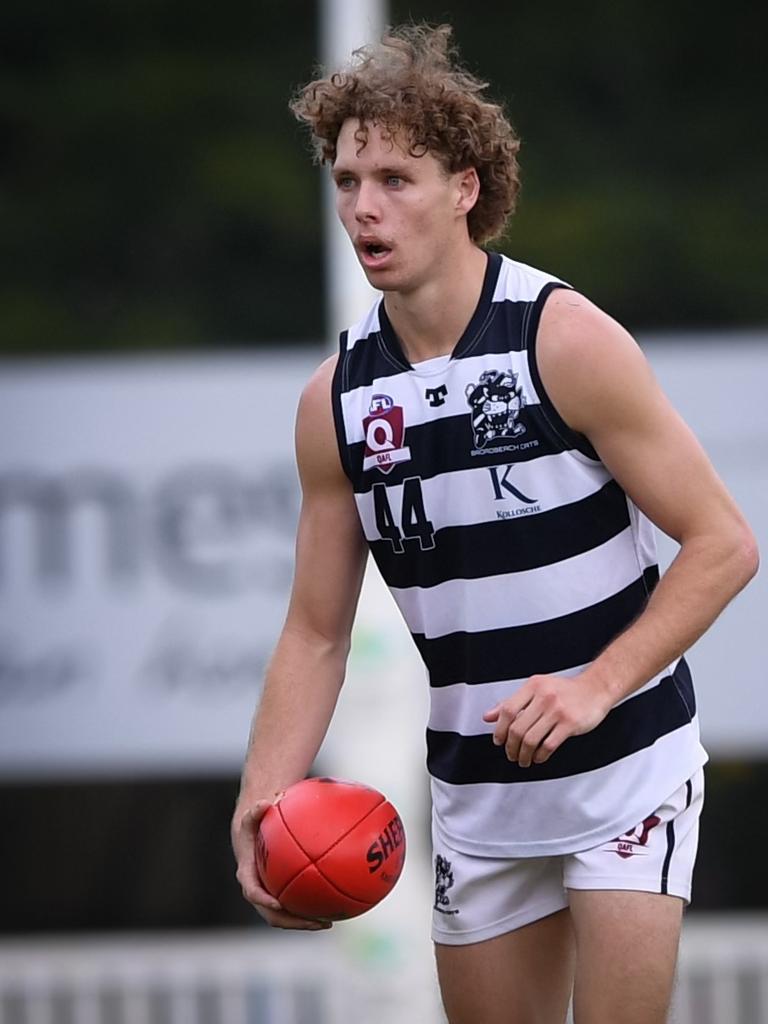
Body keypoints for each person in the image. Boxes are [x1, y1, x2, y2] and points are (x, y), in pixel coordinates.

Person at [232, 24, 758, 1024]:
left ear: (465, 188)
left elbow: (725, 543)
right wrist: (264, 793)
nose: (364, 207)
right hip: (479, 790)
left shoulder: (564, 339)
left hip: (627, 769)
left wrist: (593, 688)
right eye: (348, 182)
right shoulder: (336, 400)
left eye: (396, 178)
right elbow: (315, 629)